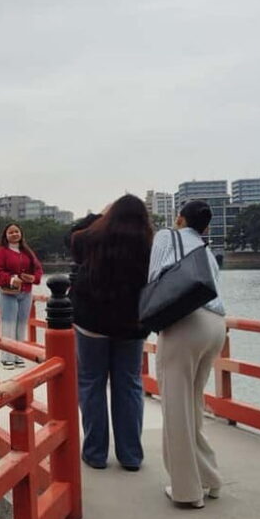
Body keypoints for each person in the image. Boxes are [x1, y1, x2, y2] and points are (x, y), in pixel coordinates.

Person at [148, 200, 226, 509]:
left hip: (186, 322)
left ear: (179, 218)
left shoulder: (167, 236)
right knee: (192, 405)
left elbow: (155, 277)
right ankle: (210, 477)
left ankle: (187, 490)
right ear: (205, 226)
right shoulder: (206, 251)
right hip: (216, 325)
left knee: (176, 408)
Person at [69, 195, 153, 471]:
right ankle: (130, 456)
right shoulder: (149, 245)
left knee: (91, 383)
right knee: (128, 385)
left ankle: (95, 453)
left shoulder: (91, 239)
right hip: (132, 323)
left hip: (92, 322)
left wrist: (96, 217)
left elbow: (71, 237)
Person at [0, 223, 44, 369]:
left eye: (16, 231)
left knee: (21, 324)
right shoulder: (0, 252)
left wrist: (33, 278)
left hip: (25, 292)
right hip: (8, 292)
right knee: (8, 324)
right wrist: (11, 279)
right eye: (11, 232)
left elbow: (38, 269)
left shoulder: (27, 252)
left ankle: (19, 354)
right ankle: (7, 357)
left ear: (21, 234)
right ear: (5, 235)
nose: (14, 234)